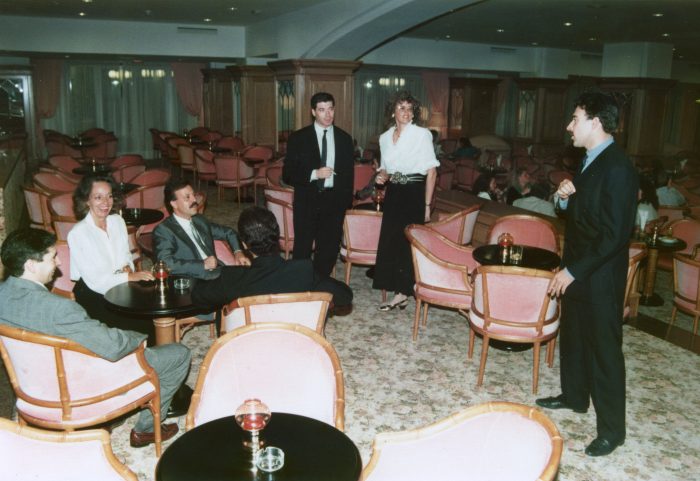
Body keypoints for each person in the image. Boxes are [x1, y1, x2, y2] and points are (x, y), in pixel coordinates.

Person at [0, 228, 191, 448]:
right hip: (77, 386)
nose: (59, 262)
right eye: (52, 256)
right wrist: (139, 338)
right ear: (31, 265)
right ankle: (146, 430)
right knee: (178, 353)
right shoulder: (60, 308)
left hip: (32, 385)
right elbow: (113, 347)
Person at [538, 91, 638, 457]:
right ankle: (575, 396)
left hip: (598, 275)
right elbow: (583, 213)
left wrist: (573, 271)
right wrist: (564, 198)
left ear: (595, 122)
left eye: (575, 118)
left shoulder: (619, 167)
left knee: (605, 350)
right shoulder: (591, 159)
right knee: (575, 334)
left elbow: (614, 234)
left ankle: (613, 430)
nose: (569, 125)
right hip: (578, 268)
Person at [192, 206, 353, 309]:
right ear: (277, 236)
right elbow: (345, 296)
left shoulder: (233, 277)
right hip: (293, 339)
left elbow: (197, 295)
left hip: (251, 344)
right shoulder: (302, 270)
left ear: (244, 243)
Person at [67, 175, 156, 341]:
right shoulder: (78, 233)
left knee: (150, 305)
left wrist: (127, 266)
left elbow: (125, 254)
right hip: (92, 291)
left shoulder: (117, 221)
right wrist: (129, 276)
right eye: (98, 197)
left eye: (109, 196)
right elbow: (96, 281)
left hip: (119, 282)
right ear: (87, 200)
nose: (106, 203)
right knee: (134, 326)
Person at [373, 91, 439, 311]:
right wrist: (381, 176)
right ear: (393, 111)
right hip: (395, 193)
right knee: (392, 242)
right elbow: (385, 168)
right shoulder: (384, 137)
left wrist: (427, 206)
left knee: (406, 244)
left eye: (410, 109)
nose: (406, 112)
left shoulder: (422, 135)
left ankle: (402, 293)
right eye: (401, 107)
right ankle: (399, 290)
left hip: (414, 193)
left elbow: (431, 172)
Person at [283, 92, 354, 277]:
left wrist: (344, 204)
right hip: (307, 200)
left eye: (330, 109)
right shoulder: (299, 138)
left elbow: (348, 176)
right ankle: (299, 286)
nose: (327, 114)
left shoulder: (345, 139)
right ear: (313, 112)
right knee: (303, 248)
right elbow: (287, 174)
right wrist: (315, 174)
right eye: (322, 110)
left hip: (333, 202)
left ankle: (319, 284)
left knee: (329, 249)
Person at [154, 178, 249, 281]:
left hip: (218, 273)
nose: (194, 200)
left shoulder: (199, 220)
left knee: (255, 274)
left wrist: (238, 252)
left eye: (193, 195)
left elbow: (228, 232)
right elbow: (165, 263)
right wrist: (202, 265)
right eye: (187, 197)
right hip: (194, 280)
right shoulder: (164, 230)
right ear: (174, 204)